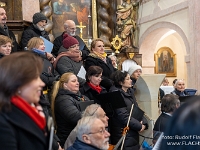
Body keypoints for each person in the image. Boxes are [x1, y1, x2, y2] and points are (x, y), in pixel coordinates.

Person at [0, 52, 48, 150]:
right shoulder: (3, 122)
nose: (42, 83)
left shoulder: (35, 110)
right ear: (16, 82)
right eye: (35, 78)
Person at [109, 70, 148, 150]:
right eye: (127, 79)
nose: (131, 80)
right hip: (122, 133)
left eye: (130, 78)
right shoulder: (115, 94)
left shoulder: (129, 92)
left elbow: (137, 109)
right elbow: (123, 116)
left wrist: (144, 122)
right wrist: (139, 125)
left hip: (132, 132)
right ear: (120, 82)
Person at [51, 72, 90, 148]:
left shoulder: (82, 97)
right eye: (73, 81)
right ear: (65, 85)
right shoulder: (63, 100)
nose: (77, 83)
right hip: (69, 140)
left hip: (80, 138)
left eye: (77, 81)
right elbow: (75, 117)